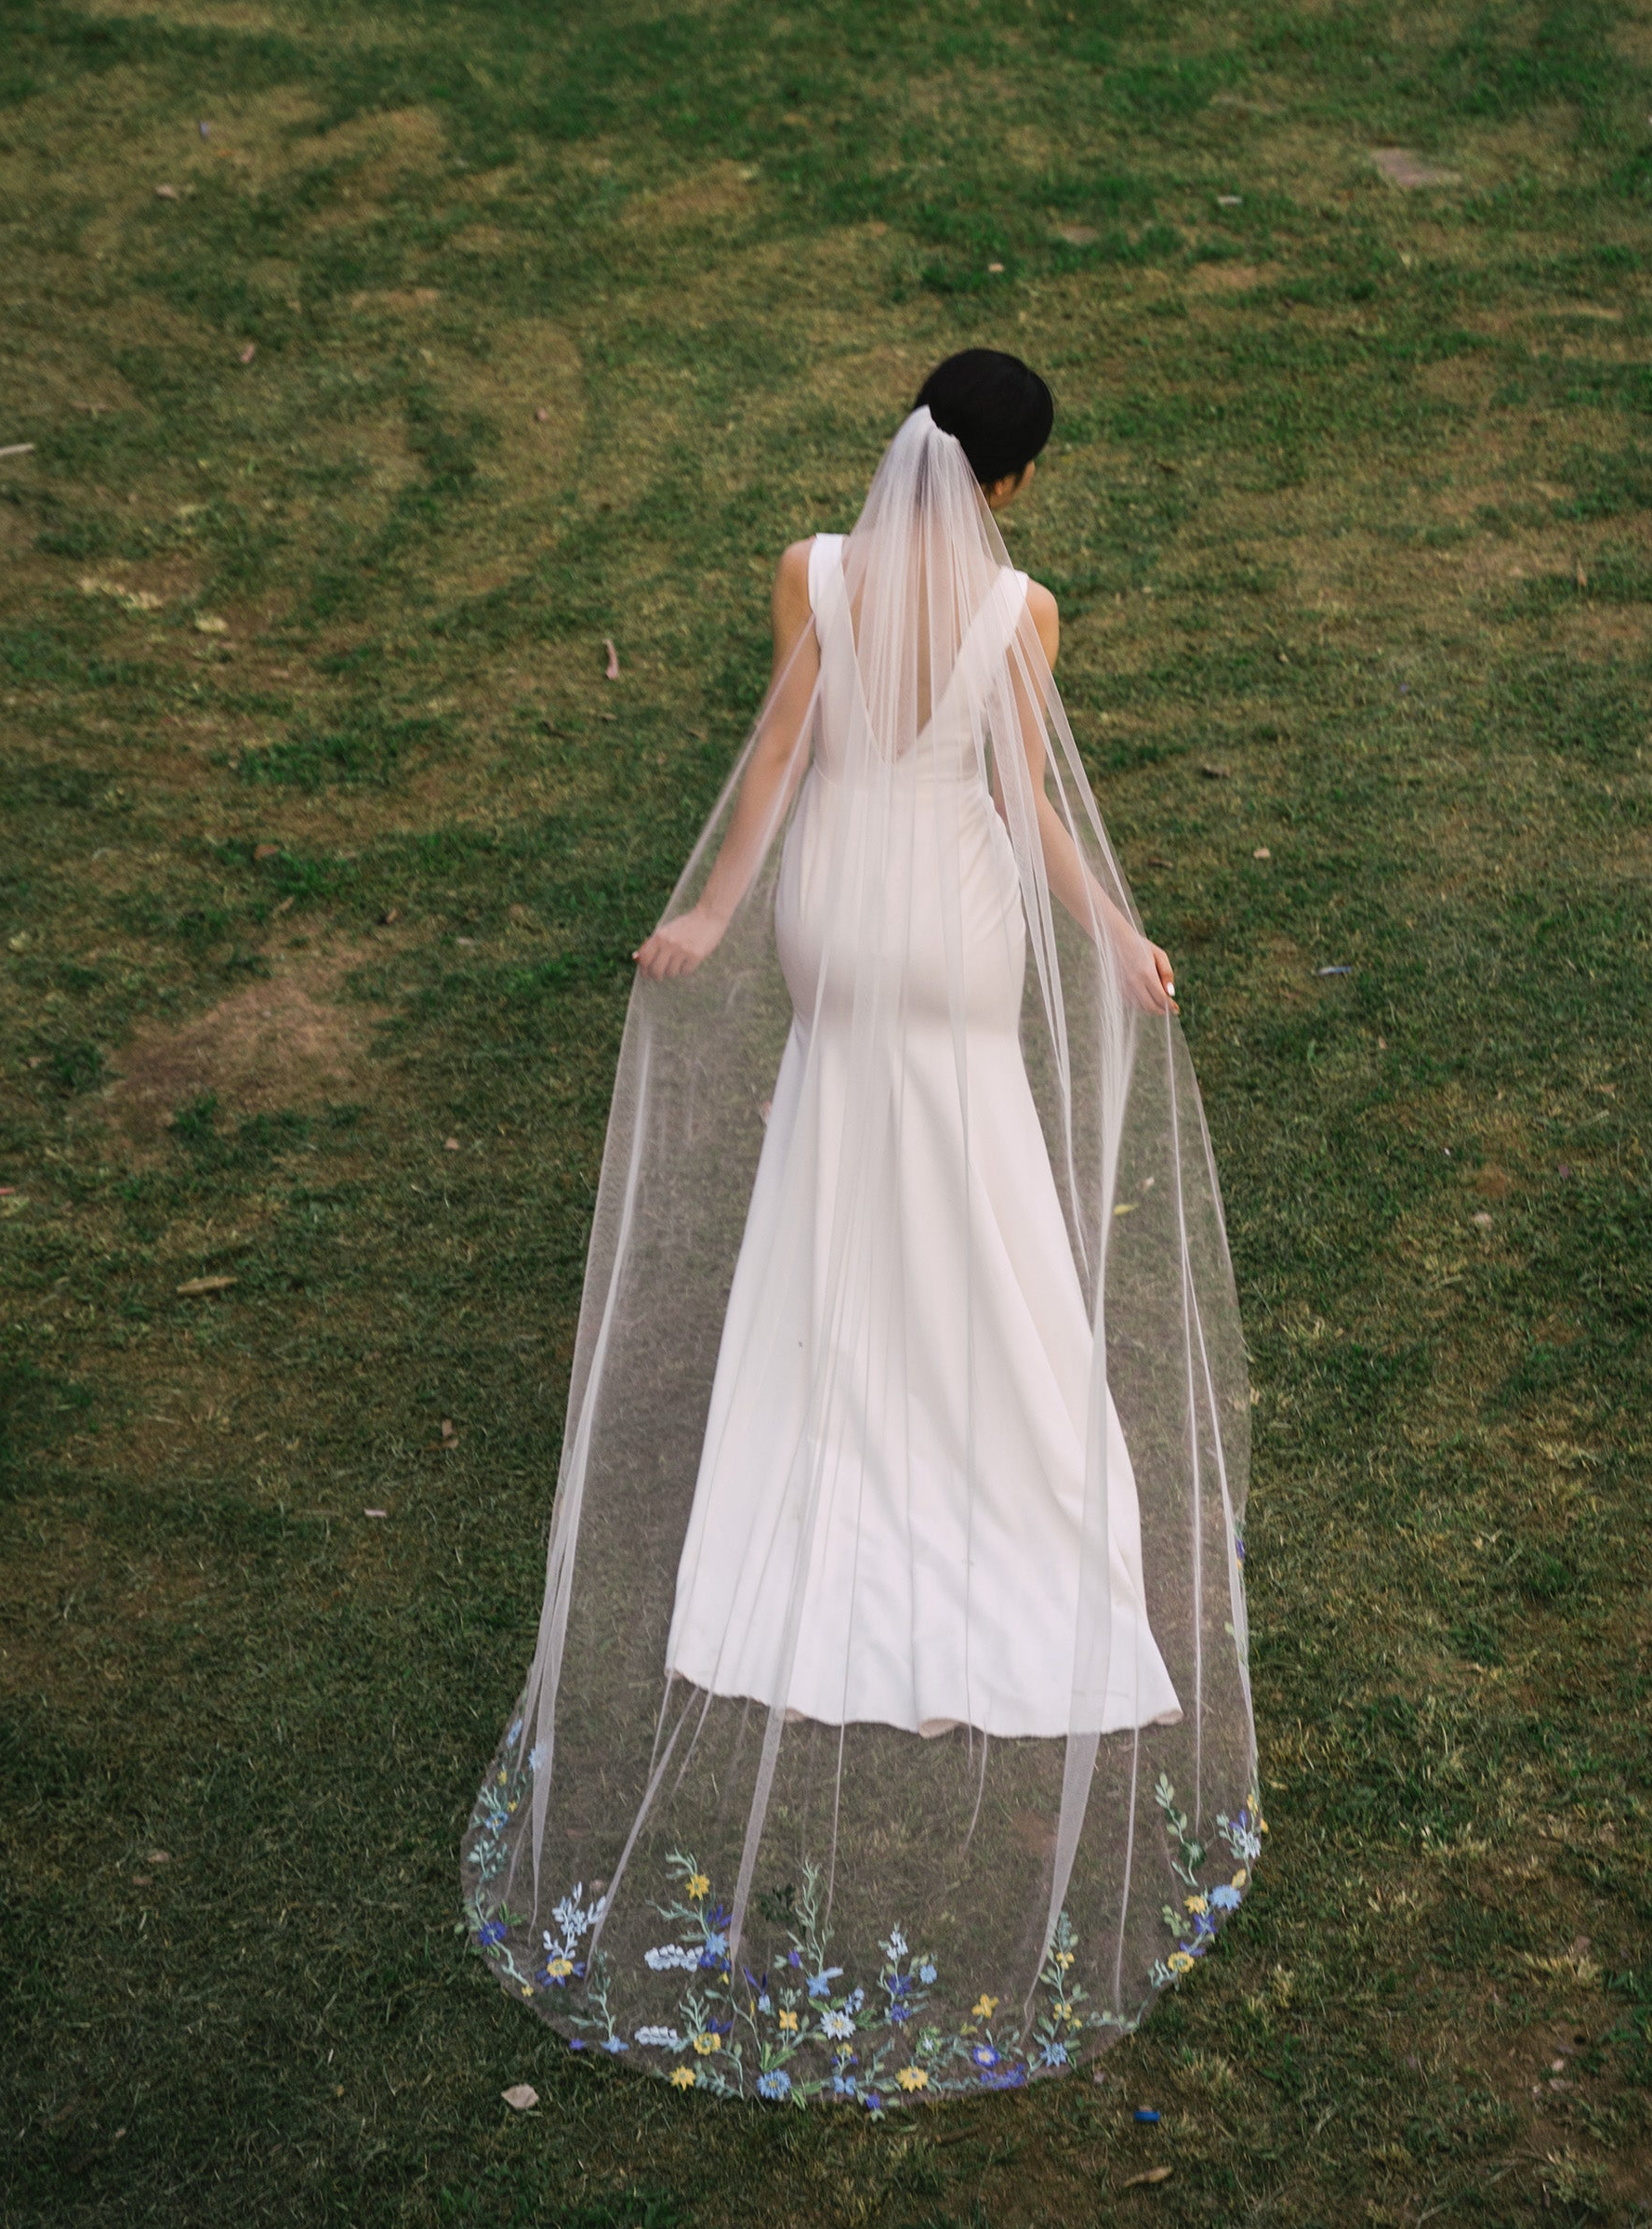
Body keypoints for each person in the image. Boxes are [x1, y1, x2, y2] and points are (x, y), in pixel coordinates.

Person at [464, 350, 1259, 2107]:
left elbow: (776, 756)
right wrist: (1117, 937)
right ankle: (986, 1419)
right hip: (955, 930)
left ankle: (827, 1406)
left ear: (905, 435)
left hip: (832, 911)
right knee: (975, 1168)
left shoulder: (811, 572)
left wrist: (710, 915)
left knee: (832, 1149)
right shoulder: (1025, 613)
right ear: (1017, 484)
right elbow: (1023, 806)